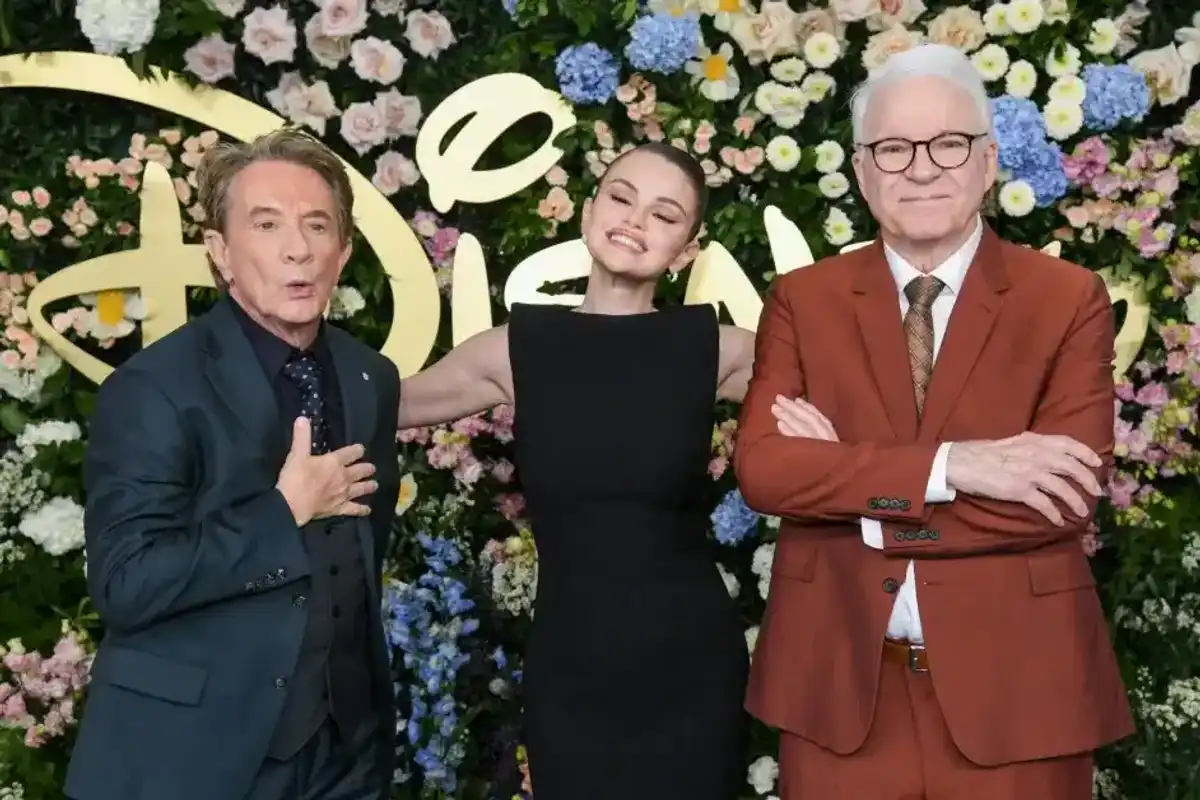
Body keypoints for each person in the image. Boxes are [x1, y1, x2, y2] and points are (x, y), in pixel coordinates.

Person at [736, 44, 1134, 800]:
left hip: (1020, 697)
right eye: (892, 148)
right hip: (840, 693)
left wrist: (860, 503)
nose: (921, 168)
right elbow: (766, 469)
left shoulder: (1065, 299)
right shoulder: (804, 300)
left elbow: (1064, 497)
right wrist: (955, 468)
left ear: (988, 162)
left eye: (948, 144)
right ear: (861, 172)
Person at [397, 141, 754, 799]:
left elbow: (859, 395)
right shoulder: (517, 348)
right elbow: (378, 404)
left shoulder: (714, 347)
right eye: (621, 197)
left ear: (687, 249)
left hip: (690, 668)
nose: (635, 220)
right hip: (571, 669)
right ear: (590, 210)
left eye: (664, 214)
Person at [66, 130, 401, 800]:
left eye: (316, 225)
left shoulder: (370, 377)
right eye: (267, 224)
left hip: (345, 758)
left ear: (344, 250)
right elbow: (127, 585)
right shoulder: (154, 389)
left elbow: (363, 550)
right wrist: (284, 512)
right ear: (220, 252)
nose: (296, 248)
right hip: (195, 758)